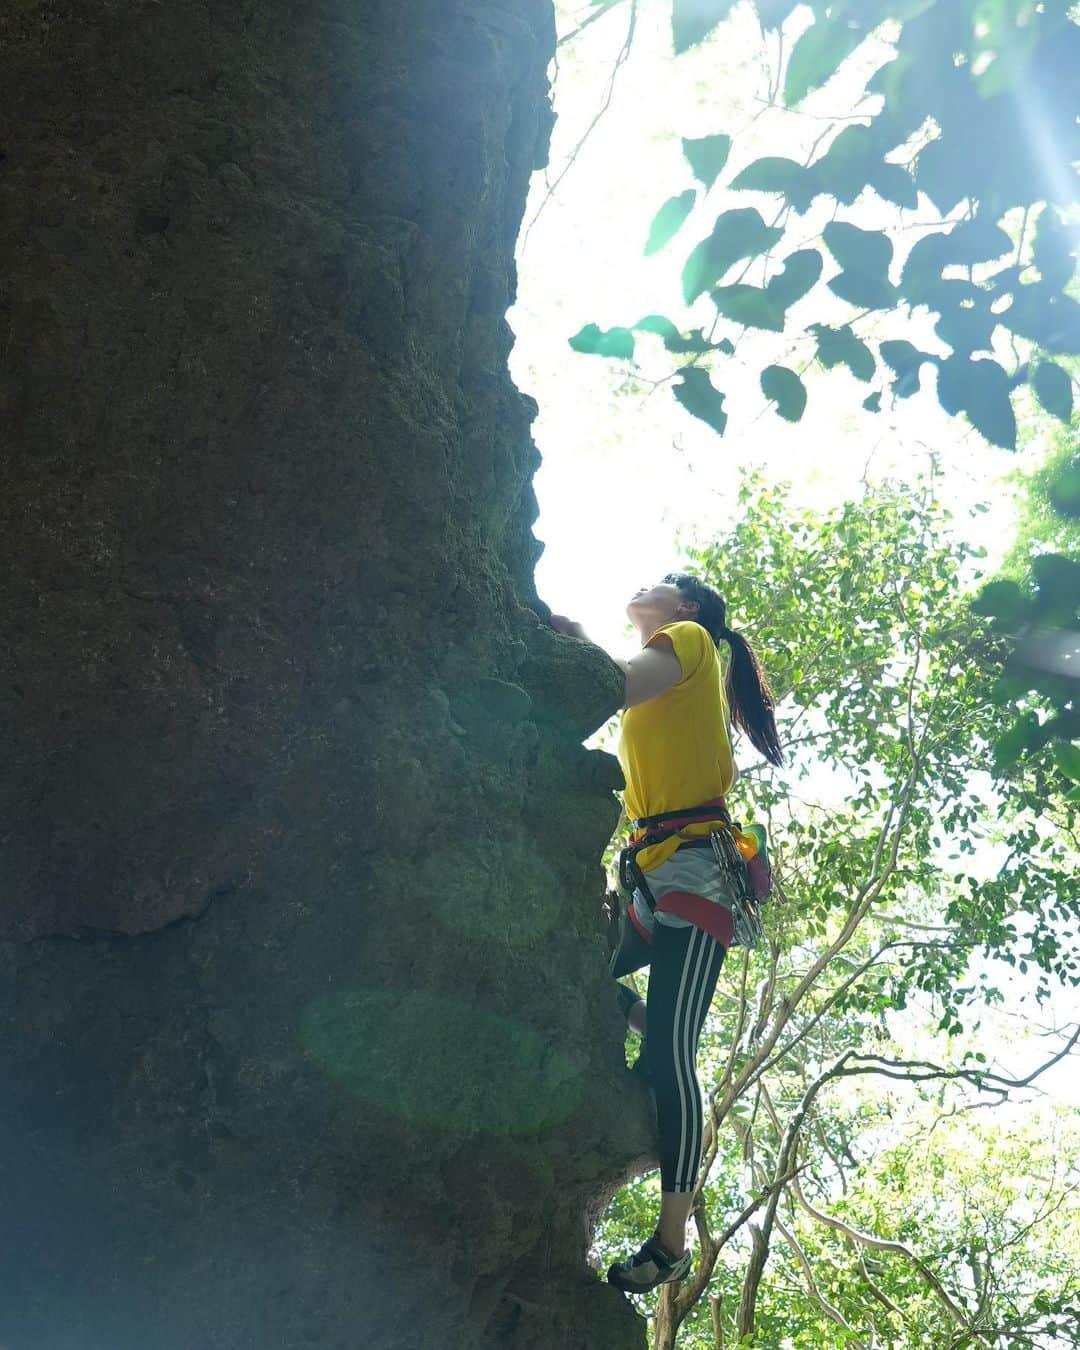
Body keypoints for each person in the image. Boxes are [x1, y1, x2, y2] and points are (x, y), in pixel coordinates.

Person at [550, 573, 783, 1295]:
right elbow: (611, 676)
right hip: (655, 872)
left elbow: (608, 685)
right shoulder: (675, 660)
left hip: (693, 872)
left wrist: (566, 654)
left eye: (658, 580)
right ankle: (644, 1026)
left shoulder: (685, 641)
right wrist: (572, 638)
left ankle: (672, 1238)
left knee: (672, 1053)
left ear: (685, 608)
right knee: (572, 969)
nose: (639, 584)